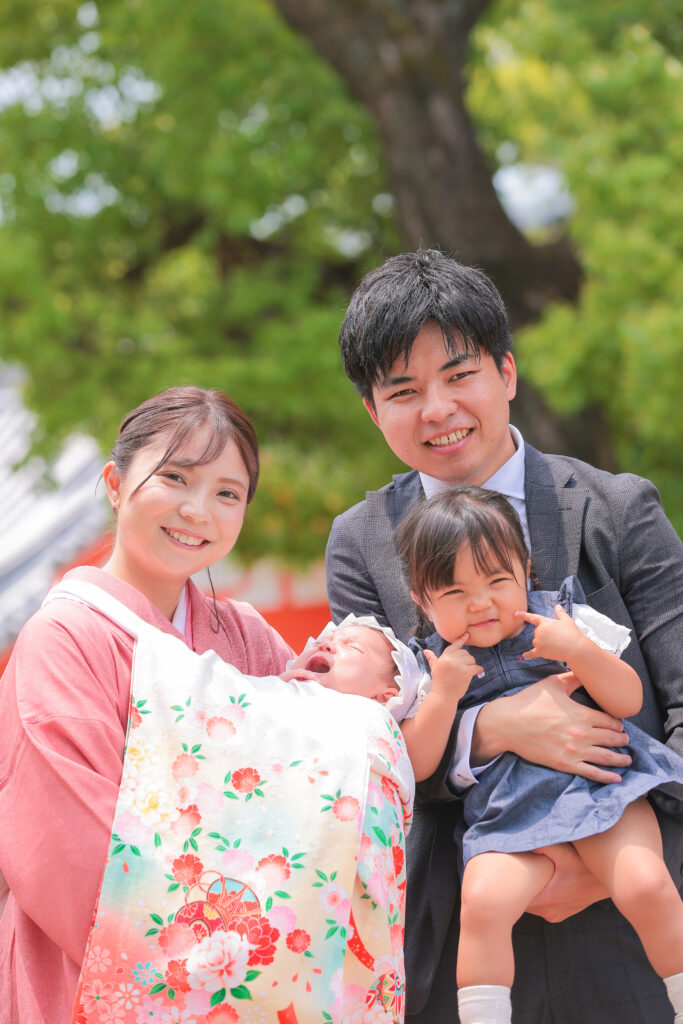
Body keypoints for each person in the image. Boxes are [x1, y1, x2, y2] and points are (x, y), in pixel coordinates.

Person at [325, 249, 683, 1023]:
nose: (438, 409)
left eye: (460, 376)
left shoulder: (617, 509)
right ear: (371, 411)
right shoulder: (361, 543)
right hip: (465, 939)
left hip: (636, 928)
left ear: (507, 373)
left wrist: (622, 854)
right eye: (404, 391)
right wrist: (486, 727)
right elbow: (360, 750)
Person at [0, 386, 412, 1024]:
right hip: (106, 976)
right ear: (114, 482)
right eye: (174, 478)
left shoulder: (246, 636)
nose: (198, 510)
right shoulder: (64, 639)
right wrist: (206, 967)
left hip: (249, 974)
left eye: (227, 493)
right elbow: (66, 851)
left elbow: (320, 798)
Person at [396, 485, 683, 1024]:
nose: (480, 603)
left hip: (603, 791)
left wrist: (577, 649)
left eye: (498, 581)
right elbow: (416, 765)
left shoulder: (564, 618)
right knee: (483, 901)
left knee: (645, 882)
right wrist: (443, 698)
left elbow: (628, 698)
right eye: (454, 592)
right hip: (508, 815)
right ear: (420, 596)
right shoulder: (424, 665)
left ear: (525, 571)